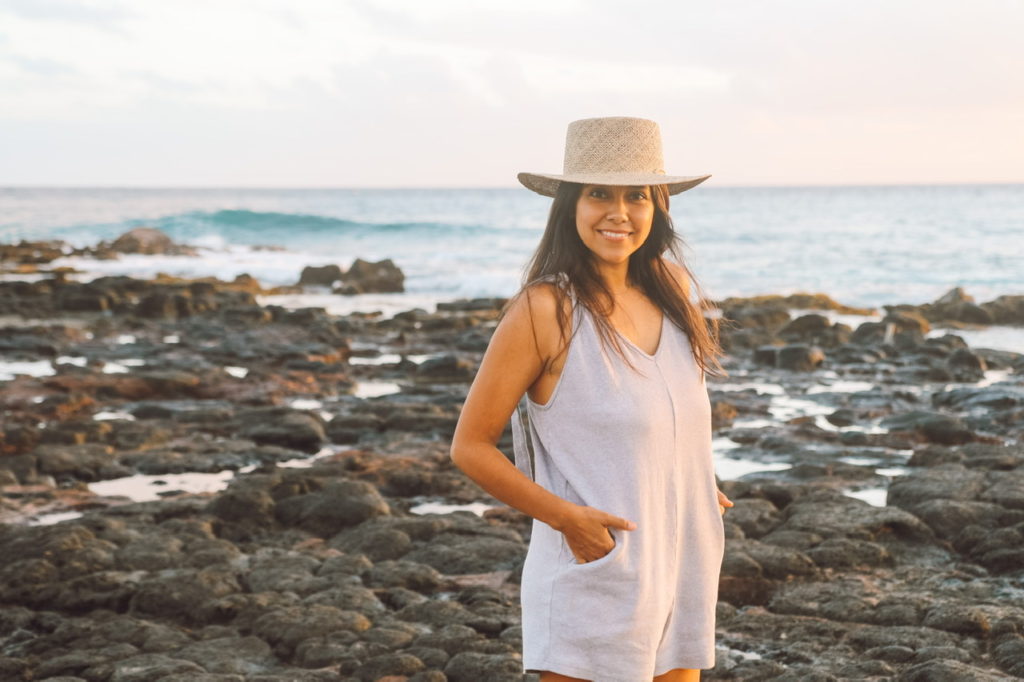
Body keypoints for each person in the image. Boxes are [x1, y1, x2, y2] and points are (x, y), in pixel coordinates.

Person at [450, 116, 733, 682]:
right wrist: (568, 520)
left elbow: (664, 413)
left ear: (658, 208)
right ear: (569, 206)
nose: (618, 212)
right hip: (598, 569)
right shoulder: (545, 309)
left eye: (636, 196)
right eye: (598, 193)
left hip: (684, 559)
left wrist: (688, 480)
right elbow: (471, 446)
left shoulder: (674, 290)